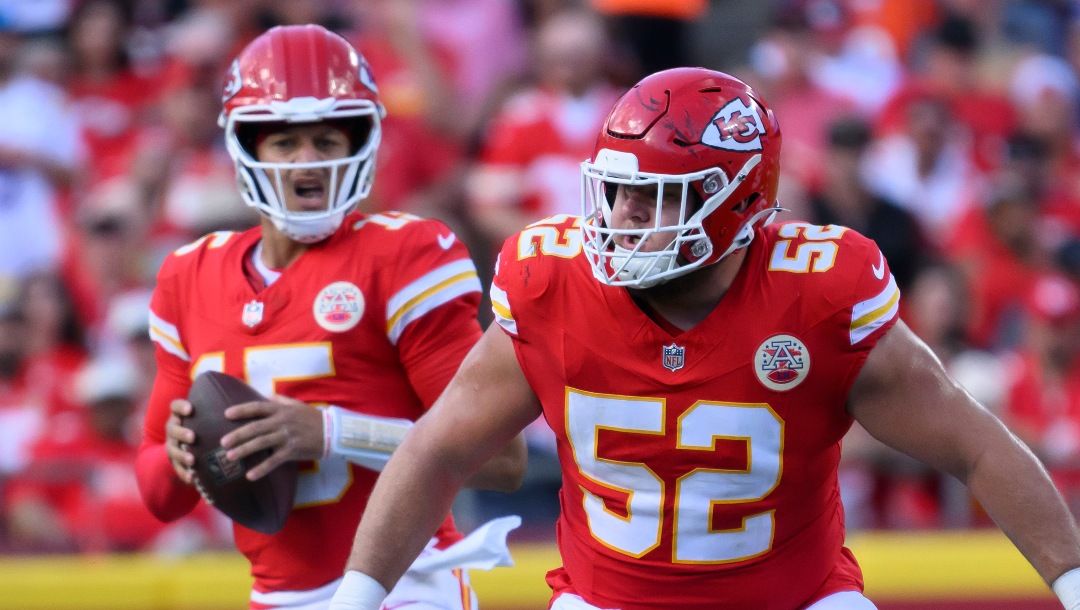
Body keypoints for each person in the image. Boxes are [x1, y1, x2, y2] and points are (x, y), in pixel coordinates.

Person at [329, 68, 1080, 610]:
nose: (619, 217)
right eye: (615, 190)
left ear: (737, 203)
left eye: (650, 198)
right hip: (605, 602)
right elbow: (439, 449)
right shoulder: (552, 281)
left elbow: (976, 447)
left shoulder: (817, 290)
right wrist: (352, 602)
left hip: (795, 600)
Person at [134, 25, 527, 610]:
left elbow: (499, 458)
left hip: (406, 585)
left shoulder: (405, 255)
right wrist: (180, 453)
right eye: (285, 144)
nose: (307, 163)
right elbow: (159, 496)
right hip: (274, 595)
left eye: (326, 141)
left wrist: (328, 432)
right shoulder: (190, 275)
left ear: (360, 143)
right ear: (248, 148)